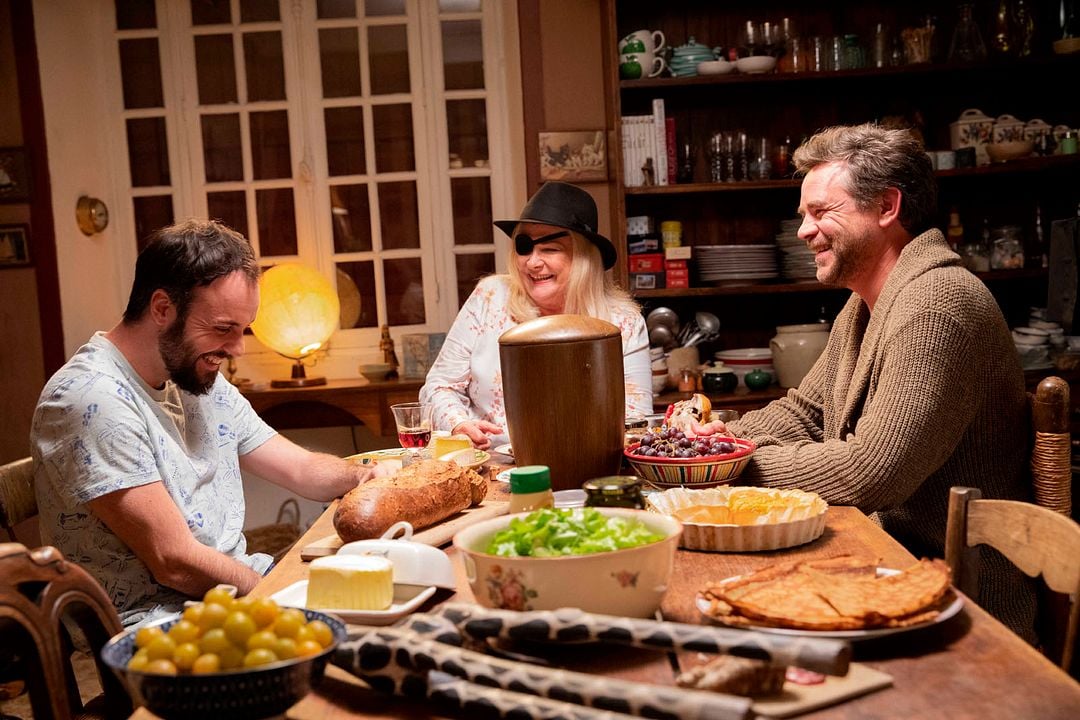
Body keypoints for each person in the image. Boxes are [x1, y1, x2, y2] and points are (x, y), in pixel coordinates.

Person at [696, 123, 1037, 642]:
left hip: (960, 607)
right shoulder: (867, 304)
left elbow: (871, 472)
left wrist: (726, 468)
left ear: (886, 207)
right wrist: (715, 440)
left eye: (821, 212)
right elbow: (802, 413)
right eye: (803, 216)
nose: (804, 232)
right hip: (888, 570)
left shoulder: (938, 304)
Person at [31, 219, 381, 627]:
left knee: (383, 592)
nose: (237, 348)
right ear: (162, 308)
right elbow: (174, 562)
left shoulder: (192, 374)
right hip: (157, 625)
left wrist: (365, 476)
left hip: (228, 595)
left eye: (243, 328)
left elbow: (300, 469)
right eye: (222, 329)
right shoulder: (90, 397)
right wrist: (279, 598)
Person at [420, 181, 652, 450]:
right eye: (524, 247)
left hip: (589, 463)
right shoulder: (490, 297)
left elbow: (638, 420)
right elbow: (438, 387)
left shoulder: (622, 322)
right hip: (494, 467)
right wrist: (458, 423)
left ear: (583, 258)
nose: (532, 262)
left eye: (550, 249)